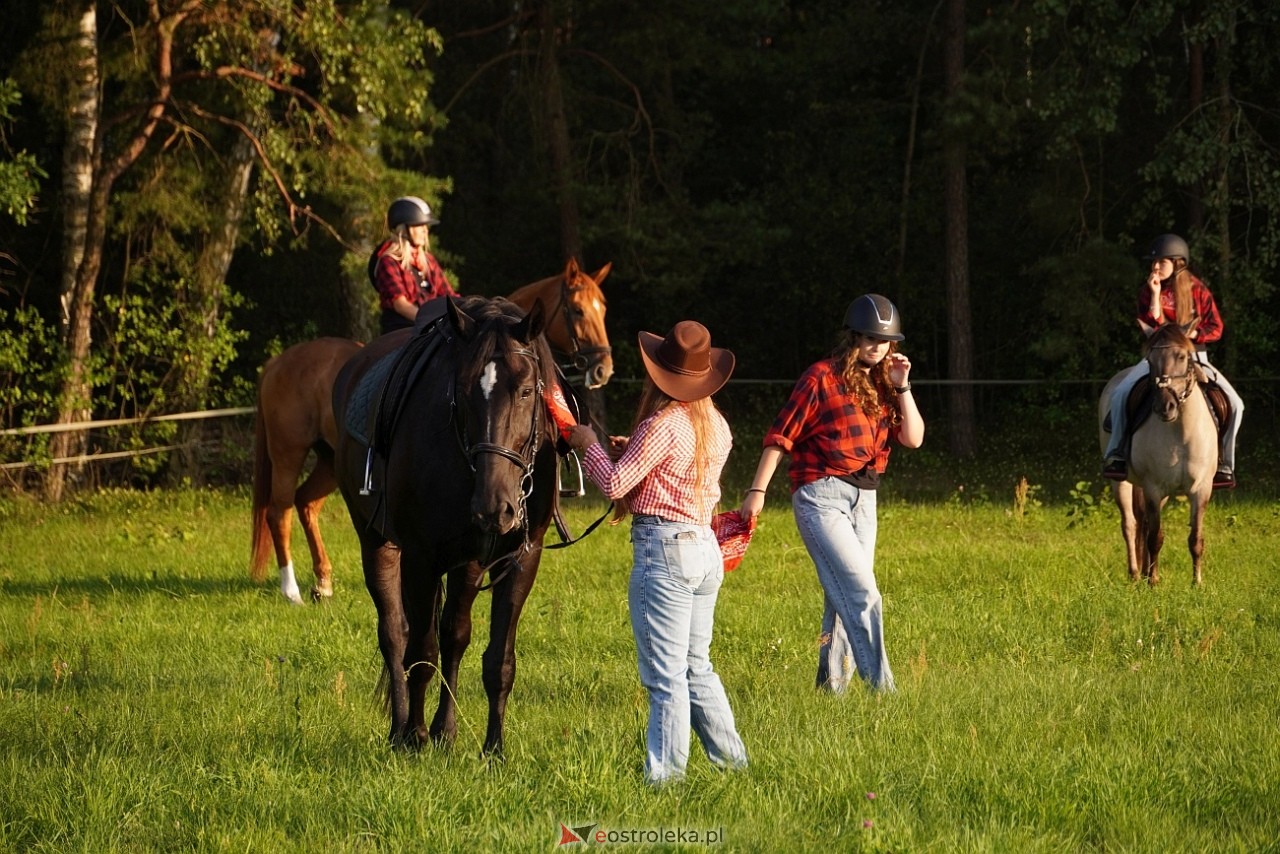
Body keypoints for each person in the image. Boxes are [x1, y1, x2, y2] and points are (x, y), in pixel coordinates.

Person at [567, 320, 748, 786]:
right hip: (704, 550)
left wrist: (588, 446)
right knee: (697, 666)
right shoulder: (717, 424)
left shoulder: (661, 424)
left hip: (665, 551)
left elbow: (613, 484)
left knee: (666, 678)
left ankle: (665, 781)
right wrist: (634, 452)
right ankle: (733, 764)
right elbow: (677, 469)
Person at [740, 294, 924, 694]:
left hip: (866, 499)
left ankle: (830, 691)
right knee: (862, 592)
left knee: (840, 599)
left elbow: (913, 438)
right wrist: (758, 491)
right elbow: (781, 435)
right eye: (870, 338)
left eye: (886, 340)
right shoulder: (820, 377)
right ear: (853, 336)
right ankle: (884, 691)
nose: (878, 346)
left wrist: (903, 387)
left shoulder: (885, 382)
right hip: (820, 495)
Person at [1101, 233, 1243, 489]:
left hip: (1194, 356)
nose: (1155, 267)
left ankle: (1224, 463)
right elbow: (1148, 326)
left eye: (1161, 262)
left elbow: (1216, 327)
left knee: (1236, 403)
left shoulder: (1197, 289)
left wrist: (1194, 334)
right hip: (1158, 358)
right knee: (1121, 392)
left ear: (1177, 262)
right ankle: (1117, 455)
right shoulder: (1148, 290)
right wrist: (1155, 295)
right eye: (1153, 263)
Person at [370, 196, 457, 335]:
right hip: (402, 330)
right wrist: (432, 323)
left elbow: (449, 295)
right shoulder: (388, 261)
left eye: (425, 226)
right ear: (404, 229)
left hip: (432, 329)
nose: (425, 231)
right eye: (419, 225)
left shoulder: (428, 261)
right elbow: (401, 305)